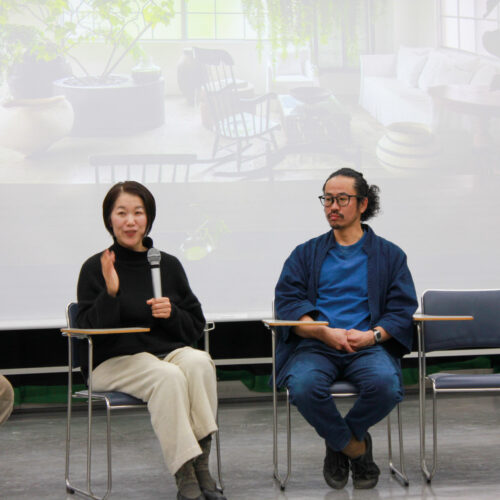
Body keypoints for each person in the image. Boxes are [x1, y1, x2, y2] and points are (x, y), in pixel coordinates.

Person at [76, 181, 226, 500]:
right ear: (109, 219)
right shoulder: (96, 267)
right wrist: (111, 293)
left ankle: (201, 464)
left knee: (199, 361)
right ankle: (185, 474)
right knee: (168, 376)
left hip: (163, 354)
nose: (130, 221)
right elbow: (88, 330)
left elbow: (194, 326)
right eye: (122, 213)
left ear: (149, 218)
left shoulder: (166, 264)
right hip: (113, 364)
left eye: (138, 213)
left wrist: (172, 313)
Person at [274, 168, 417, 490]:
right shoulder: (305, 253)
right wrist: (321, 332)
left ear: (363, 204)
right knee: (303, 387)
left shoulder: (390, 255)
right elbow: (287, 303)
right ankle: (355, 448)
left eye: (341, 199)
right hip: (317, 345)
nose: (332, 207)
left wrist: (372, 335)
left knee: (386, 386)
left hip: (366, 345)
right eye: (327, 199)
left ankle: (338, 441)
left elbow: (401, 309)